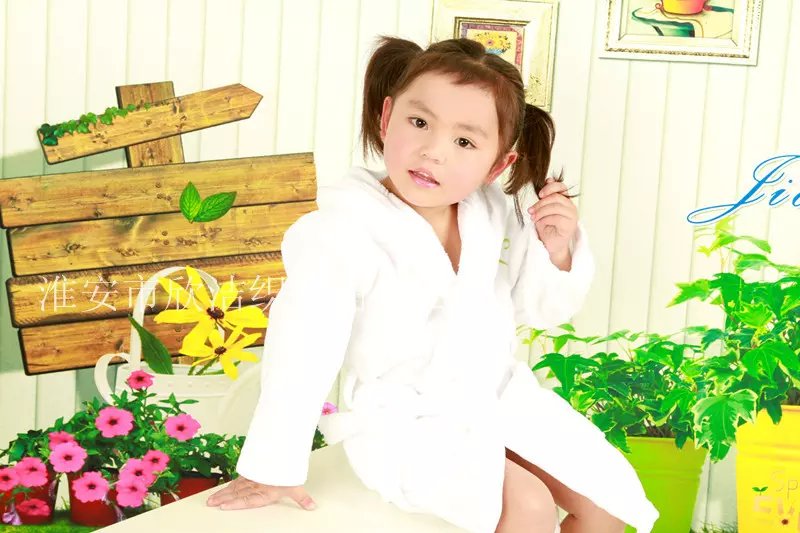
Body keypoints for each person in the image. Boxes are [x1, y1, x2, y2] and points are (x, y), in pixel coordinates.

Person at [206, 35, 659, 533]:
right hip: (402, 425)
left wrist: (557, 249)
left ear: (497, 165)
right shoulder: (337, 232)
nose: (432, 152)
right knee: (528, 504)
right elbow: (302, 350)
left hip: (497, 398)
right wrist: (273, 466)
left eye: (464, 142)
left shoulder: (489, 213)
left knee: (609, 502)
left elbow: (540, 309)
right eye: (419, 123)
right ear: (386, 118)